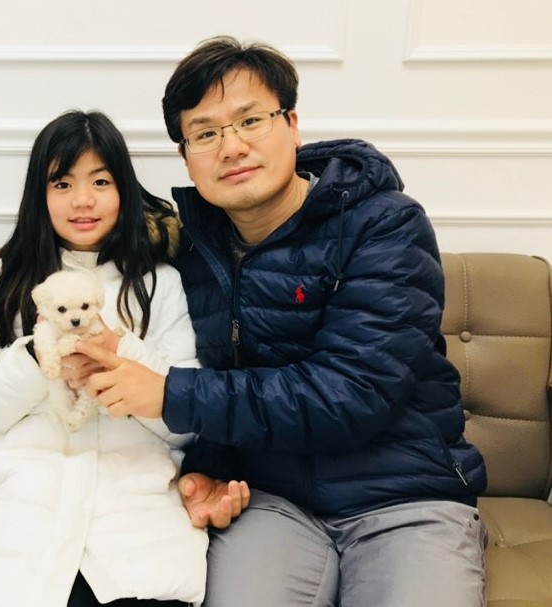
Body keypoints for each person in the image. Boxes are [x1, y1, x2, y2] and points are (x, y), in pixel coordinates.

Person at [73, 36, 488, 607]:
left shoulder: (384, 226)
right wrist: (208, 470)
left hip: (404, 497)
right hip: (269, 501)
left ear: (292, 125)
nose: (232, 146)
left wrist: (168, 394)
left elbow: (351, 394)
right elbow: (214, 363)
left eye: (251, 120)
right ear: (186, 156)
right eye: (205, 133)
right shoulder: (193, 249)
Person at [0, 110, 207, 607]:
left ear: (123, 189)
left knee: (148, 588)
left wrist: (122, 359)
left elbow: (189, 423)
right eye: (62, 183)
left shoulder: (160, 283)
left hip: (135, 510)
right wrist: (36, 359)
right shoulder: (8, 280)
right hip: (27, 506)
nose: (83, 200)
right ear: (40, 195)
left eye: (100, 181)